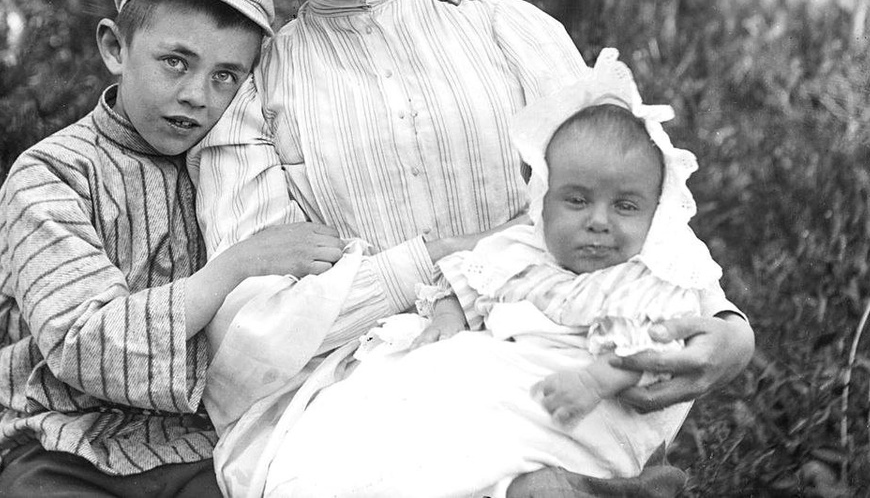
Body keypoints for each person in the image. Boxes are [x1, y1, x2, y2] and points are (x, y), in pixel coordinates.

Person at [194, 0, 754, 498]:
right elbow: (252, 328)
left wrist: (727, 324)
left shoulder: (508, 33)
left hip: (555, 355)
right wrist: (430, 260)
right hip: (357, 393)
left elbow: (639, 201)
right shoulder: (254, 91)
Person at [0, 0, 349, 497]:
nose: (196, 95)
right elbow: (84, 344)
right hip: (65, 448)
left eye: (226, 75)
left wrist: (433, 1)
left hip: (206, 450)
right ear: (115, 48)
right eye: (175, 62)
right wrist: (238, 265)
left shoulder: (237, 161)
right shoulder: (52, 175)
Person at [262, 48, 725, 497]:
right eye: (577, 200)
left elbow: (653, 352)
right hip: (499, 375)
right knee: (389, 406)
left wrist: (594, 381)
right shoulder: (525, 249)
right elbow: (468, 279)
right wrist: (448, 317)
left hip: (583, 403)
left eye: (625, 206)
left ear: (656, 213)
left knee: (506, 461)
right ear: (543, 200)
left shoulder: (650, 279)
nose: (599, 221)